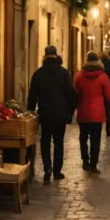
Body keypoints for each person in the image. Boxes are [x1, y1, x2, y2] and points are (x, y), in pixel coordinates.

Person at [27, 46, 77, 184]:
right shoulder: (63, 73)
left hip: (45, 113)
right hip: (61, 114)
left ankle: (47, 169)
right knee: (58, 142)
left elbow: (32, 95)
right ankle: (57, 170)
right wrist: (71, 111)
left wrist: (30, 111)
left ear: (45, 56)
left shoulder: (39, 73)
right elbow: (71, 94)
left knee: (45, 141)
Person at [73, 51, 110, 174]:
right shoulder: (103, 77)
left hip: (83, 112)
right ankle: (93, 165)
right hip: (97, 114)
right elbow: (109, 95)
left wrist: (74, 106)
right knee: (95, 139)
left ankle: (85, 160)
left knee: (83, 137)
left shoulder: (79, 76)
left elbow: (74, 94)